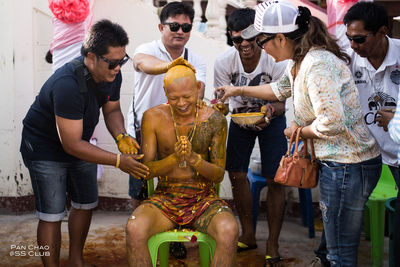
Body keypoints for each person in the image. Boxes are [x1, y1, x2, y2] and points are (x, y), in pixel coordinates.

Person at [216, 1, 382, 266]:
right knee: (332, 246)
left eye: (261, 42)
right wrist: (237, 90)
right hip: (339, 164)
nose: (261, 49)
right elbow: (278, 89)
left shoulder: (317, 65)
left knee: (341, 251)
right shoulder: (299, 62)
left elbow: (332, 122)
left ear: (280, 38)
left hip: (349, 165)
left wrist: (298, 130)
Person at [20, 19, 149, 267]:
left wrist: (121, 136)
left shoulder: (112, 74)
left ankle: (76, 260)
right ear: (92, 57)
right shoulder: (67, 84)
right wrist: (119, 161)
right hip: (45, 148)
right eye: (112, 62)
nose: (118, 68)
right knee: (52, 214)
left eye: (122, 61)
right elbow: (71, 145)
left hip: (79, 142)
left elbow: (112, 111)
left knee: (85, 203)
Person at [125, 63, 238, 267]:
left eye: (187, 96)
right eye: (174, 98)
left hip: (203, 198)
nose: (181, 103)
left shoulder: (214, 119)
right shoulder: (152, 117)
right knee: (135, 228)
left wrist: (195, 160)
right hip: (165, 197)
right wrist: (173, 159)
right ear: (165, 91)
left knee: (229, 230)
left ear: (198, 88)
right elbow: (146, 172)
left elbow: (219, 175)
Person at [213, 8, 287, 265]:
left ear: (259, 35)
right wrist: (217, 107)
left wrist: (270, 110)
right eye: (237, 40)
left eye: (249, 37)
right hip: (240, 122)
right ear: (231, 39)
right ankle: (248, 234)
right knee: (236, 173)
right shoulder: (223, 63)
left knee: (276, 179)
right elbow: (221, 103)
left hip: (273, 120)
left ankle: (273, 243)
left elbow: (283, 103)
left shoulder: (276, 61)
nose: (244, 45)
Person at [126, 1, 206, 210]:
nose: (180, 32)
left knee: (175, 187)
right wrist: (172, 66)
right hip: (141, 130)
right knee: (140, 187)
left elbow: (199, 93)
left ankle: (175, 237)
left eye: (186, 27)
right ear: (161, 27)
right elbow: (144, 63)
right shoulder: (146, 49)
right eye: (174, 26)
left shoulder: (196, 60)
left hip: (178, 133)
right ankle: (139, 232)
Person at [344, 2, 400, 267]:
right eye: (349, 39)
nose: (353, 45)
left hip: (398, 155)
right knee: (344, 213)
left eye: (359, 39)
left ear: (382, 32)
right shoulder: (346, 58)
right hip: (364, 155)